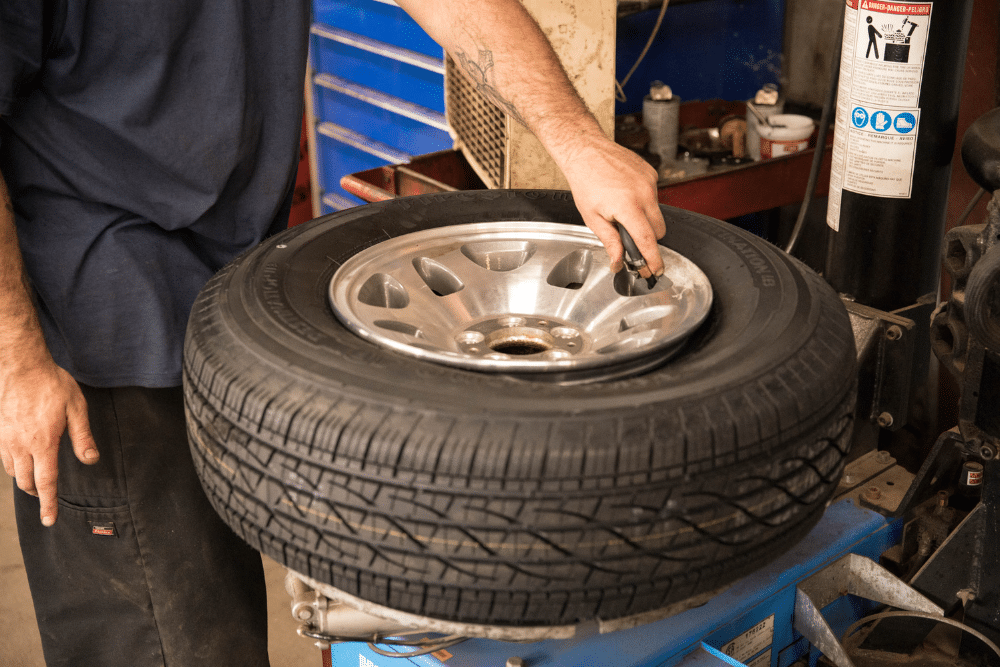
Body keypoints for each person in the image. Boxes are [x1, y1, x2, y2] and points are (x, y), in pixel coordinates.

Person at [0, 1, 665, 664]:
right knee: (168, 641)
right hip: (97, 331)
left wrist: (576, 141)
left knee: (218, 612)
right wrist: (17, 364)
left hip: (222, 302)